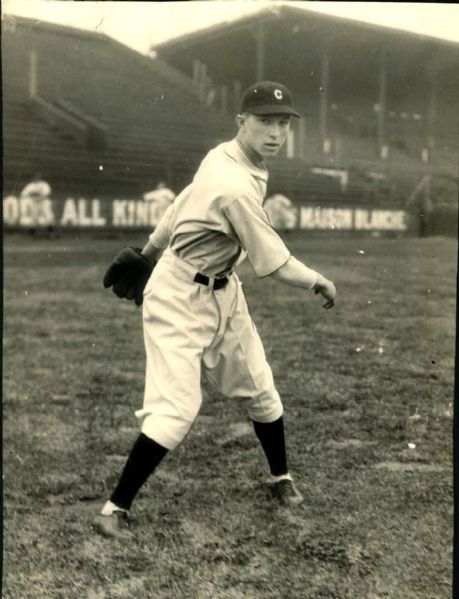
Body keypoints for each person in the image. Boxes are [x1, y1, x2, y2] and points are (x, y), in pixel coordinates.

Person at [94, 81, 336, 539]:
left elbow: (182, 200)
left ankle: (280, 479)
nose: (275, 132)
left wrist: (148, 251)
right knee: (177, 407)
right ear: (241, 121)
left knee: (261, 388)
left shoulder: (225, 155)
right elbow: (277, 263)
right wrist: (318, 280)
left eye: (283, 123)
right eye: (264, 121)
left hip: (224, 291)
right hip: (179, 297)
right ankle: (113, 509)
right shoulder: (234, 185)